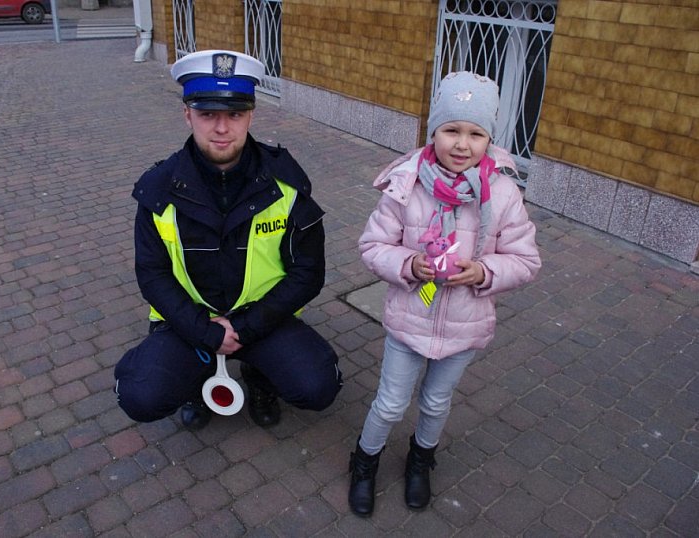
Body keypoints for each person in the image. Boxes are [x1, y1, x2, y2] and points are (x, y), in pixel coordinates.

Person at [114, 50, 342, 431]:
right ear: (188, 114)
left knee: (317, 386)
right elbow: (152, 274)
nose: (222, 128)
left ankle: (259, 377)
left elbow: (309, 273)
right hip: (191, 323)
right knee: (141, 395)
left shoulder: (285, 183)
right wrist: (206, 332)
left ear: (251, 115)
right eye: (208, 114)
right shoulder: (157, 189)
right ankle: (197, 381)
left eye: (234, 114)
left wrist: (245, 328)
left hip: (262, 320)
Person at [348, 71, 541, 516]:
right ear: (433, 131)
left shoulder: (504, 193)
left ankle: (421, 459)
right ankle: (365, 460)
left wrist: (483, 271)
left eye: (475, 134)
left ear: (489, 139)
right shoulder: (406, 185)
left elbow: (526, 260)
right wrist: (408, 264)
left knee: (436, 401)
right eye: (451, 130)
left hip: (464, 325)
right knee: (392, 403)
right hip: (409, 319)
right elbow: (372, 245)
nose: (462, 144)